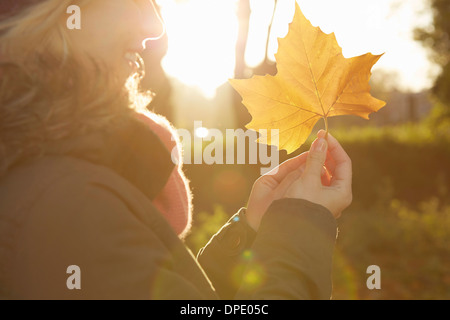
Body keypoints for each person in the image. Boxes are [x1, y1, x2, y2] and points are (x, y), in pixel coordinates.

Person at [0, 0, 352, 299]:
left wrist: (253, 233)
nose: (154, 23)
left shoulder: (54, 180)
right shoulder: (68, 204)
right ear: (44, 16)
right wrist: (300, 228)